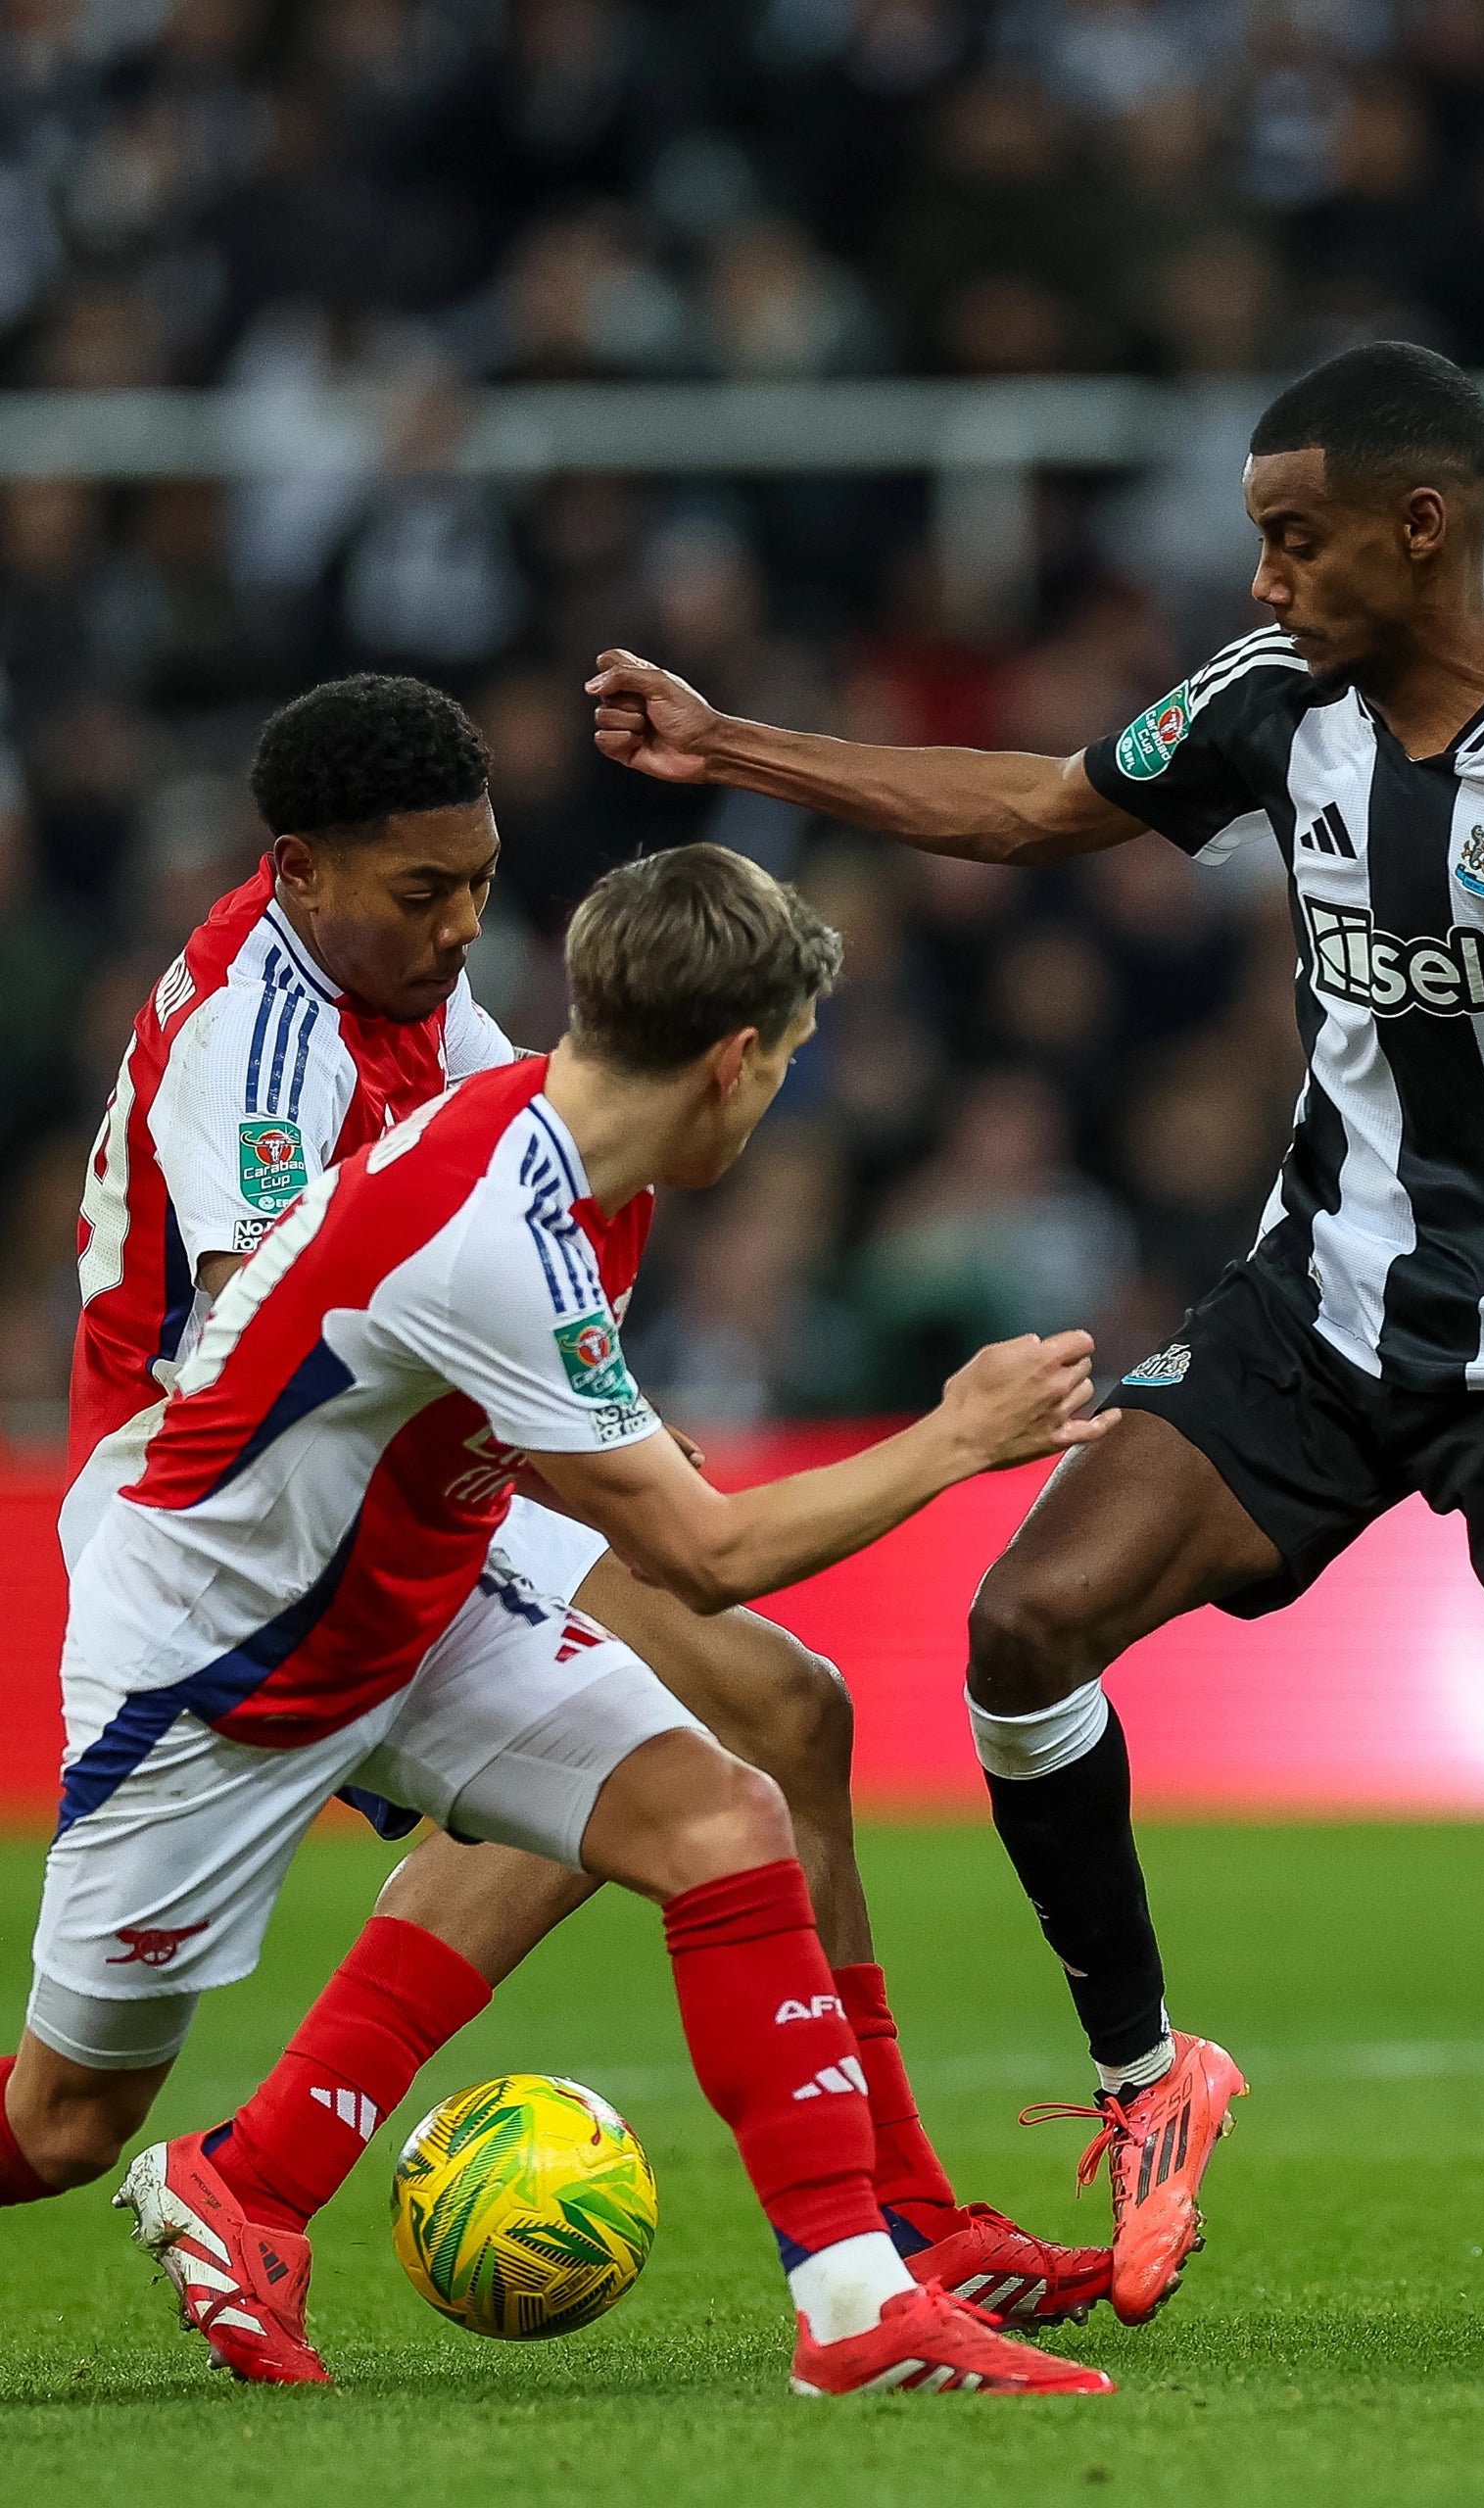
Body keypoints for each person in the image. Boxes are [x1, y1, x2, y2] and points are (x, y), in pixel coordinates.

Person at [587, 340, 1484, 2345]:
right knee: (1017, 1629)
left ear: (1418, 527)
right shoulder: (1271, 708)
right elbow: (1027, 808)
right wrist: (737, 746)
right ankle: (1147, 2068)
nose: (1259, 580)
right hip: (1317, 1309)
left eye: (1293, 539)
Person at [27, 677, 1112, 2373]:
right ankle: (259, 2165)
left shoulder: (455, 1041)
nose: (466, 927)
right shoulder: (265, 1038)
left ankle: (868, 2276)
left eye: (482, 883)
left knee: (745, 1763)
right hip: (229, 1599)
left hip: (409, 1531)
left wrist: (568, 1409)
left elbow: (504, 1237)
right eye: (424, 892)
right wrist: (950, 1438)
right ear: (301, 870)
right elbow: (286, 1322)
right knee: (61, 2124)